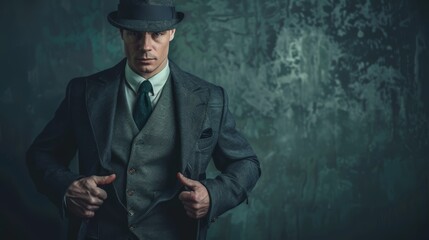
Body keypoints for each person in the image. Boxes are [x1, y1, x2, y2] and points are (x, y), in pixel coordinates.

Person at [26, 0, 261, 239]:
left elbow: (246, 164)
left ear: (172, 32)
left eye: (157, 34)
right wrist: (67, 188)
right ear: (121, 33)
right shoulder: (83, 93)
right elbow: (41, 154)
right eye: (134, 34)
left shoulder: (210, 98)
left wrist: (213, 195)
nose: (145, 46)